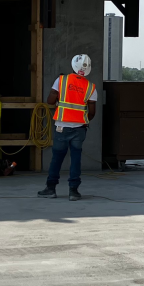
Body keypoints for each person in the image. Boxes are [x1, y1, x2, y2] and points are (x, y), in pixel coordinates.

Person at [38, 54, 97, 201]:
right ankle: (73, 191)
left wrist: (58, 97)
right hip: (79, 129)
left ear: (74, 65)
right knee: (76, 159)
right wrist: (82, 120)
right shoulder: (91, 87)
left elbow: (50, 101)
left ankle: (51, 189)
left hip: (61, 127)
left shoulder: (61, 80)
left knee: (57, 158)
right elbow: (92, 113)